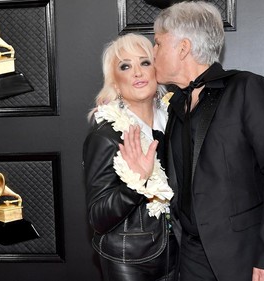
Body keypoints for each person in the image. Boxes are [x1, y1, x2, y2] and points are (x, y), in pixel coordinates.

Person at [119, 1, 264, 281]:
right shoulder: (175, 105)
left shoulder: (247, 89)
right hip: (189, 256)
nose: (153, 53)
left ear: (183, 48)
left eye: (158, 44)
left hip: (245, 256)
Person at [82, 33, 177, 281]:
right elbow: (98, 218)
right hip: (130, 261)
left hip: (180, 255)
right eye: (125, 66)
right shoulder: (106, 136)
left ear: (157, 68)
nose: (137, 72)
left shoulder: (176, 122)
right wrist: (137, 183)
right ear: (114, 82)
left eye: (145, 62)